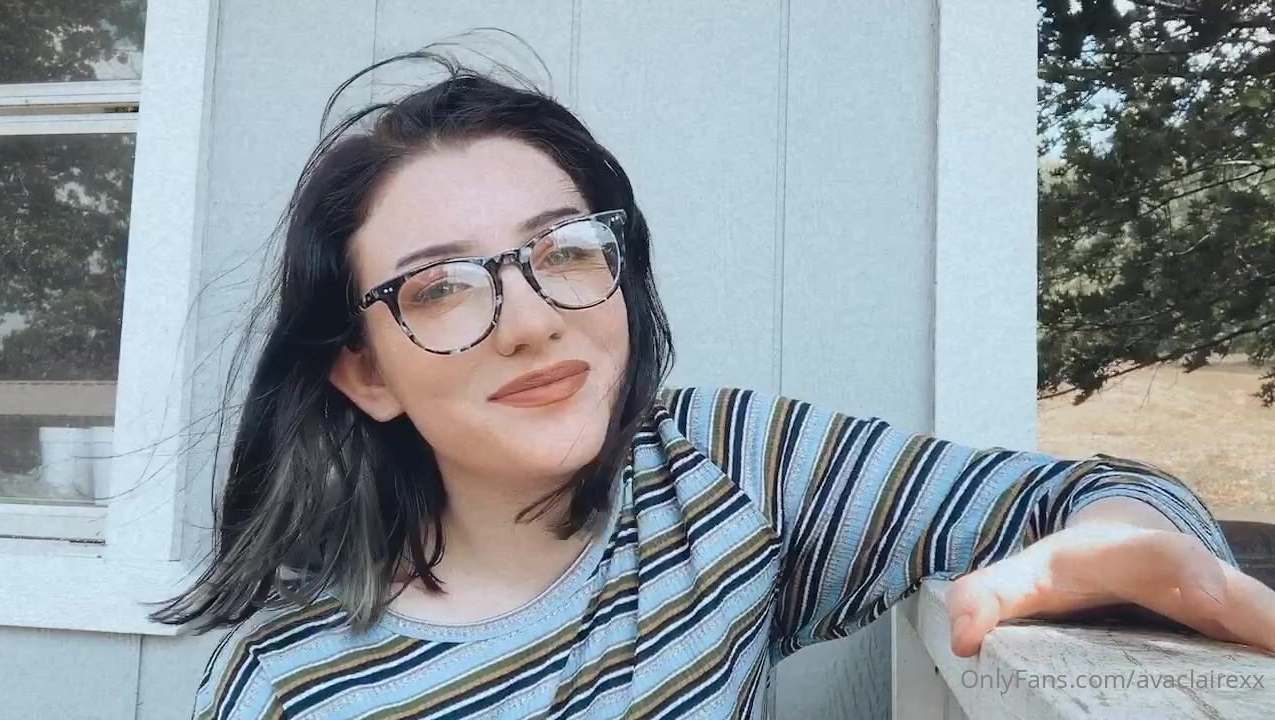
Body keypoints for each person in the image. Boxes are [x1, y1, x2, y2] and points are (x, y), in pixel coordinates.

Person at [161, 50, 1275, 720]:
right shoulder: (286, 685)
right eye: (443, 288)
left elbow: (1093, 501)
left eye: (564, 248)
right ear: (365, 373)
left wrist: (1124, 540)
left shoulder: (719, 474)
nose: (535, 319)